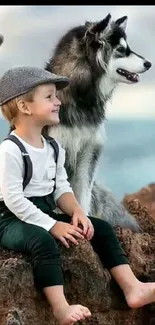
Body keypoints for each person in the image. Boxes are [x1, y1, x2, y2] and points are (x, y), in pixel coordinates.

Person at [0, 66, 154, 325]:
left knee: (102, 228)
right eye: (49, 97)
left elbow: (61, 188)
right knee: (42, 242)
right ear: (25, 107)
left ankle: (133, 288)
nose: (58, 101)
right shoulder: (10, 151)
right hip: (11, 219)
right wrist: (52, 225)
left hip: (45, 210)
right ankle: (60, 308)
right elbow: (14, 200)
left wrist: (77, 212)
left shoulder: (53, 148)